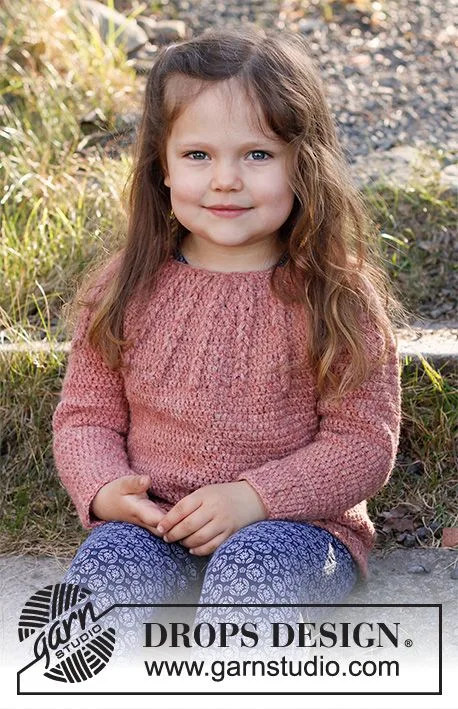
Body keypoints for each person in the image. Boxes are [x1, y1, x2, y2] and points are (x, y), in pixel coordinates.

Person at [53, 24, 408, 661]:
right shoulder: (125, 287)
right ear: (160, 164)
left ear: (304, 165)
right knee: (90, 607)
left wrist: (255, 498)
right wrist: (106, 488)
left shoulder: (335, 295)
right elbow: (86, 417)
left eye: (257, 155)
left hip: (294, 530)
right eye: (197, 156)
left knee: (252, 583)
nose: (225, 180)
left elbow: (363, 444)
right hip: (154, 525)